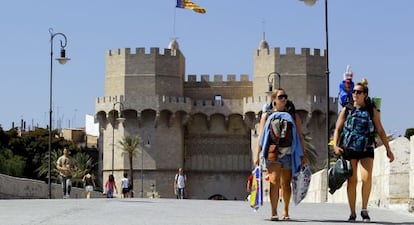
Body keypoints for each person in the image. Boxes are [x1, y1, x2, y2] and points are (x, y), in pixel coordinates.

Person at [333, 79, 394, 222]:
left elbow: (380, 129)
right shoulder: (347, 108)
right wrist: (335, 145)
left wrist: (388, 148)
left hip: (366, 147)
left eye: (358, 92)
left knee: (367, 178)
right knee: (352, 181)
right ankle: (352, 212)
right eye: (353, 91)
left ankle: (364, 210)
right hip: (349, 148)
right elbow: (338, 128)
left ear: (365, 94)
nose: (355, 94)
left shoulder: (371, 109)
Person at [254, 88, 306, 221]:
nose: (283, 99)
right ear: (274, 100)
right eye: (280, 97)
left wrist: (303, 154)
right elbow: (261, 136)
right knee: (274, 181)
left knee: (286, 183)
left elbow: (300, 136)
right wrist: (257, 155)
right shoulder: (267, 115)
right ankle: (273, 212)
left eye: (285, 97)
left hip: (288, 152)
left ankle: (286, 211)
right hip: (272, 152)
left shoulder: (293, 116)